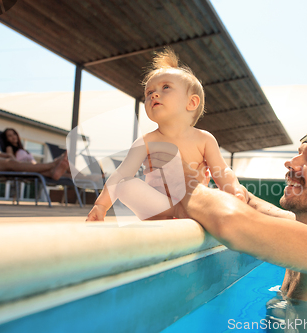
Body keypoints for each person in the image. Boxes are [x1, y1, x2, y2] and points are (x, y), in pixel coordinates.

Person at [146, 127, 307, 313]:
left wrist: (180, 179)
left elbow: (233, 223)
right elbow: (249, 206)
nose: (291, 162)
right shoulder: (304, 234)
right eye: (298, 154)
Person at [86, 48, 246, 221]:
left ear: (191, 102)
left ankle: (190, 209)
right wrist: (101, 205)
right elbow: (120, 174)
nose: (154, 94)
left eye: (166, 87)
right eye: (148, 92)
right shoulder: (147, 141)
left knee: (227, 194)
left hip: (195, 203)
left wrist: (234, 190)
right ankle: (177, 211)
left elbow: (221, 171)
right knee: (124, 185)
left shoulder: (204, 139)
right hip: (159, 209)